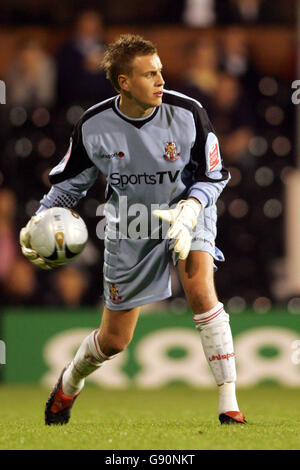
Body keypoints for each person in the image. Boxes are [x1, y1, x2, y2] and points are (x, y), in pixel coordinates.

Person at [19, 34, 246, 426]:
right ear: (124, 82)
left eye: (160, 71)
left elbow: (215, 175)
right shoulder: (93, 124)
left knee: (200, 290)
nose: (161, 80)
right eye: (149, 75)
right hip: (131, 223)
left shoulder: (189, 112)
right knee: (114, 340)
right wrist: (39, 222)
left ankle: (229, 405)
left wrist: (192, 208)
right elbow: (69, 185)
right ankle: (70, 381)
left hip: (187, 209)